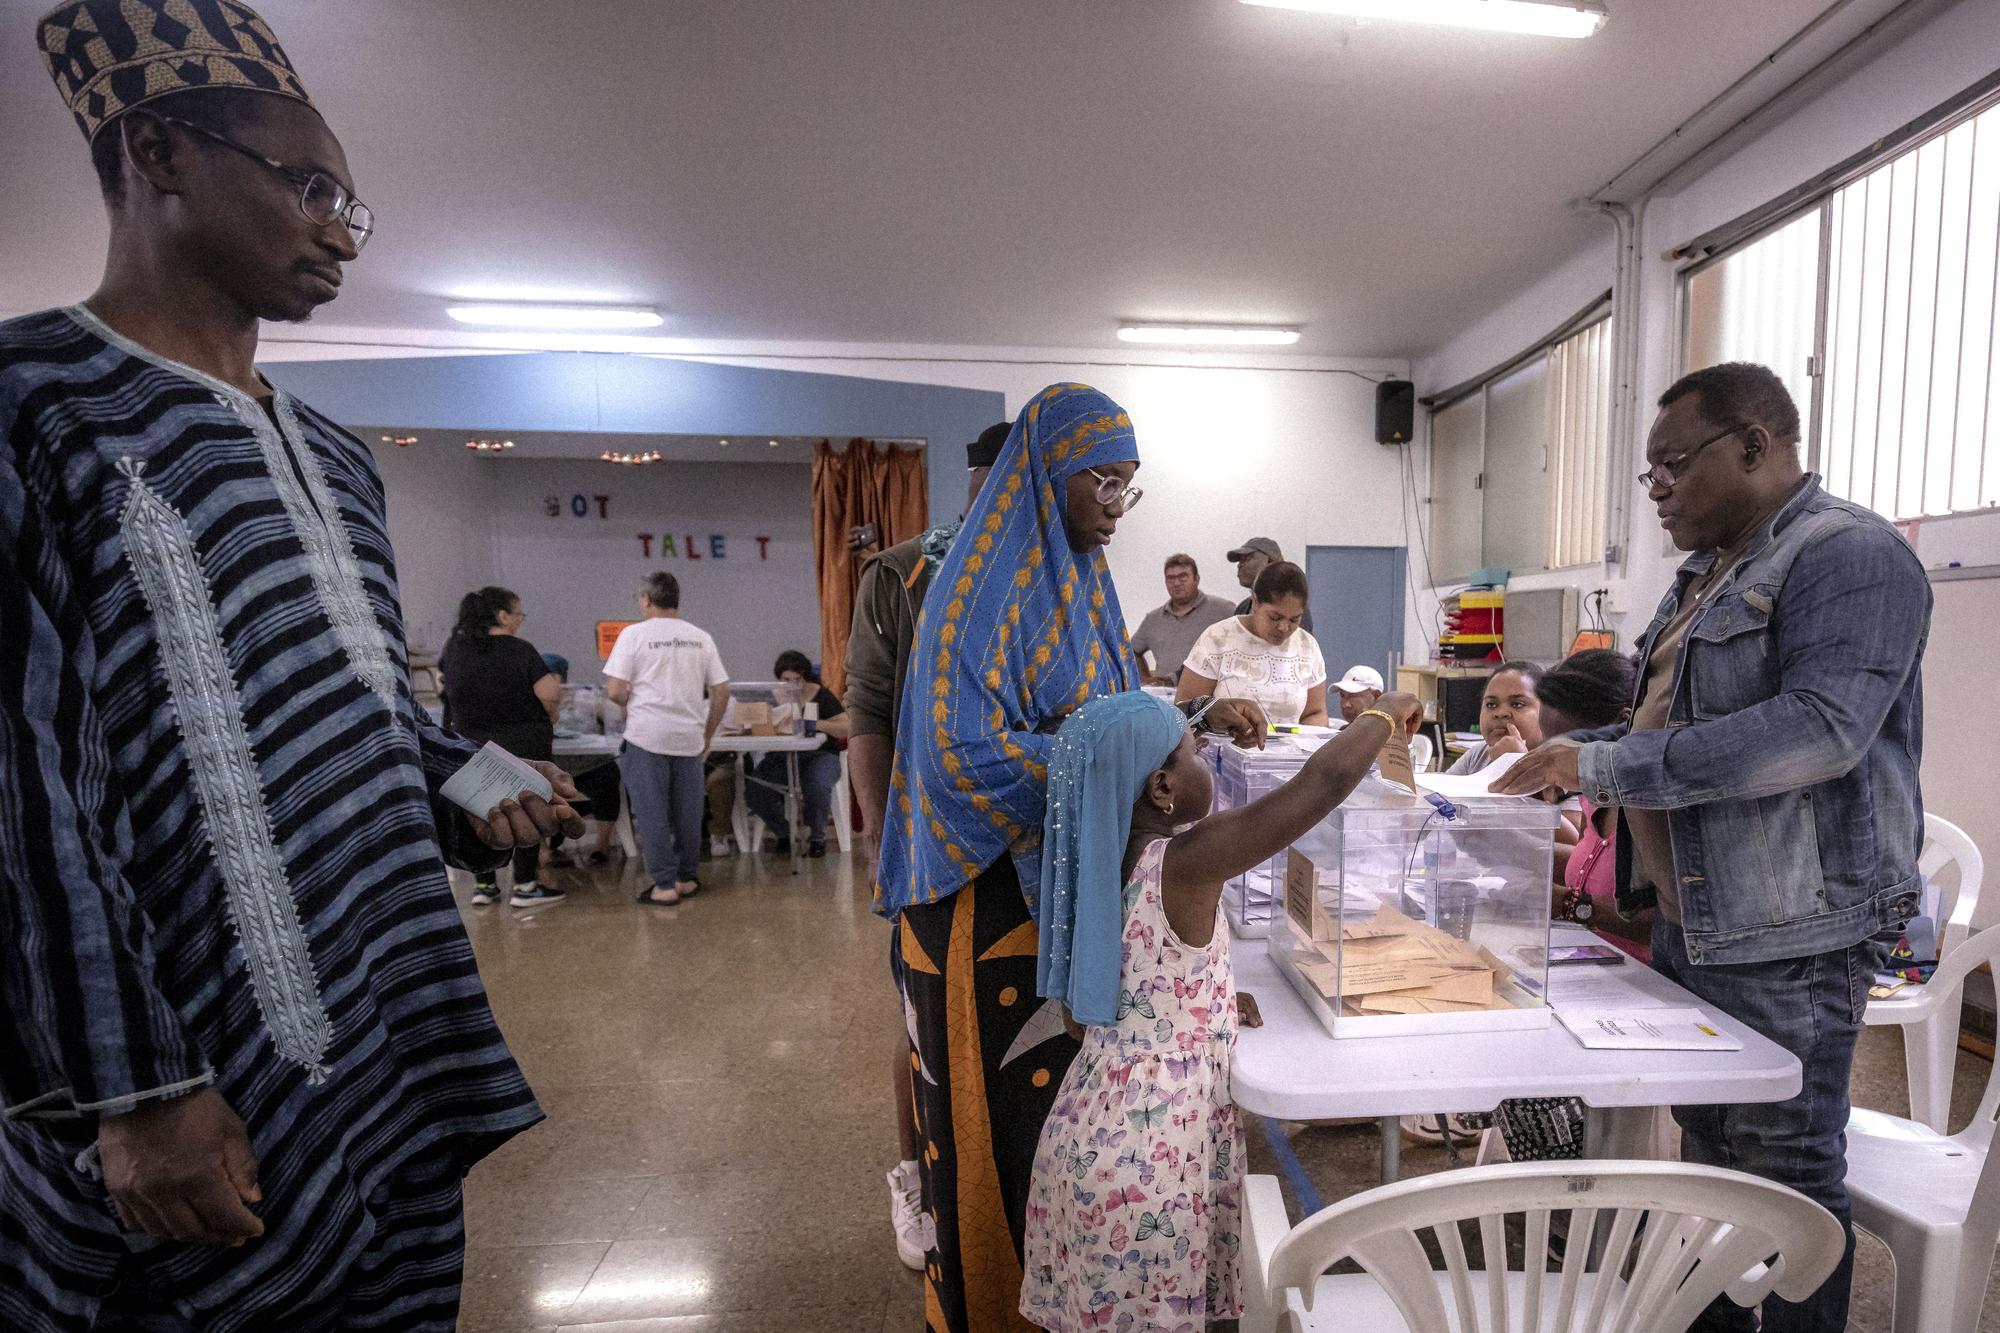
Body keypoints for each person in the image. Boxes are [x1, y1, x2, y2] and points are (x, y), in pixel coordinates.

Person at [2, 8, 581, 1329]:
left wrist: (476, 775)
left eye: (351, 209)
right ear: (156, 151)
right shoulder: (32, 403)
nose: (338, 232)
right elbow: (18, 785)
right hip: (183, 1054)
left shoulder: (335, 455)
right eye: (311, 187)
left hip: (384, 1004)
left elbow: (364, 710)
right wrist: (134, 1086)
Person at [1498, 362, 1929, 1331]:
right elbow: (1661, 725)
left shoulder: (1845, 556)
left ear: (1753, 445)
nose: (1653, 491)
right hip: (1693, 910)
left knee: (1781, 1170)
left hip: (1787, 923)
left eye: (1668, 466)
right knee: (1708, 1162)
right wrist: (1574, 755)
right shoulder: (1706, 574)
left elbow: (1818, 730)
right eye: (1647, 473)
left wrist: (1603, 771)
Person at [874, 384, 1266, 1333]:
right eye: (1105, 482)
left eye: (1130, 487)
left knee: (1048, 1125)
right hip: (975, 897)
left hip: (1054, 883)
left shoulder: (1080, 578)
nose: (1117, 508)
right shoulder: (976, 594)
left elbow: (1112, 716)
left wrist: (1189, 721)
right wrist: (1105, 765)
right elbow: (961, 751)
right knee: (985, 1128)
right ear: (1048, 470)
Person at [1019, 690, 1421, 1330]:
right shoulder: (1184, 862)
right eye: (1194, 750)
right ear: (1161, 788)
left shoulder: (1098, 874)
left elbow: (1095, 1008)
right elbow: (1325, 781)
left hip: (1088, 1135)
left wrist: (1202, 996)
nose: (1206, 755)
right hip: (1151, 1160)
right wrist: (1383, 714)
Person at [844, 420, 1008, 1271]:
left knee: (1013, 1015)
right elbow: (867, 708)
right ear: (976, 481)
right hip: (929, 837)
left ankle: (1001, 1176)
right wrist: (880, 835)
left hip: (1025, 846)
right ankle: (914, 1172)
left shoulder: (1063, 572)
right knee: (923, 1012)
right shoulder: (902, 571)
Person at [604, 572, 731, 907]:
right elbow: (721, 690)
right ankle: (687, 878)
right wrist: (708, 732)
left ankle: (663, 885)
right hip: (689, 737)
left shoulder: (633, 635)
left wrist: (634, 703)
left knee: (652, 813)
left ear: (647, 600)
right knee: (689, 812)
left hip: (646, 736)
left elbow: (615, 689)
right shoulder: (700, 637)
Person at [439, 587, 566, 907]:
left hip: (471, 744)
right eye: (519, 614)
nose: (520, 621)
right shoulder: (519, 650)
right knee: (527, 808)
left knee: (483, 811)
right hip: (523, 743)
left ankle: (484, 885)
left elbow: (443, 685)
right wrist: (551, 717)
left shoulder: (455, 648)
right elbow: (549, 693)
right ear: (502, 615)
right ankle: (525, 886)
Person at [1177, 560, 1329, 726]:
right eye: (1275, 617)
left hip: (1290, 750)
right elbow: (1183, 710)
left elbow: (1315, 713)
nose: (1284, 628)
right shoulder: (1217, 638)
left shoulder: (1307, 645)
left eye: (1294, 619)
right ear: (1255, 602)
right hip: (1223, 748)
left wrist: (1310, 743)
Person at [744, 650, 851, 857]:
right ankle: (783, 832)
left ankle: (817, 837)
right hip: (780, 756)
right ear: (778, 679)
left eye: (797, 679)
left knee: (817, 785)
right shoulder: (771, 697)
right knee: (756, 790)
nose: (792, 684)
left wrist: (816, 724)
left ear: (805, 677)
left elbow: (846, 726)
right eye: (786, 680)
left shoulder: (821, 695)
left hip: (820, 754)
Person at [1126, 553, 1234, 685]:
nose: (1176, 583)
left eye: (1183, 577)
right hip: (1166, 698)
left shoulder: (1223, 610)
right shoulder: (1153, 620)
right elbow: (1131, 650)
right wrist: (1144, 679)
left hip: (1210, 697)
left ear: (1196, 579)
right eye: (1171, 578)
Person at [1445, 659, 1543, 773]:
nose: (1500, 713)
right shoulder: (1479, 755)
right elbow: (1438, 789)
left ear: (1547, 713)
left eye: (1517, 704)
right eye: (1491, 705)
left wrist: (1513, 762)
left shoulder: (1559, 761)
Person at [1224, 535, 1314, 635]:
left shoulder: (1293, 609)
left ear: (1270, 561)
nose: (1240, 565)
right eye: (1240, 560)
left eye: (1247, 558)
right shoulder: (1243, 607)